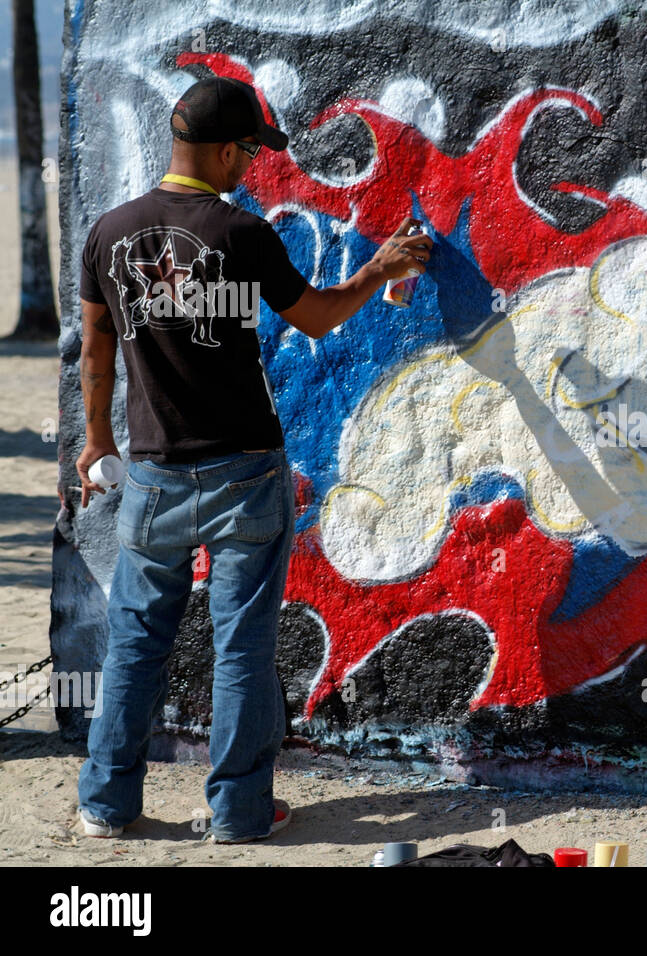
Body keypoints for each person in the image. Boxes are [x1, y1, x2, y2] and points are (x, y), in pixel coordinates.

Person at [74, 76, 432, 843]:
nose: (251, 168)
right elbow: (318, 316)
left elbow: (95, 346)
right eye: (247, 153)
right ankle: (238, 811)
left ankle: (106, 804)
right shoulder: (241, 233)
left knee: (136, 641)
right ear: (222, 149)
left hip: (154, 472)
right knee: (241, 646)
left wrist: (98, 439)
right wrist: (381, 270)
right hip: (243, 473)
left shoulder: (108, 232)